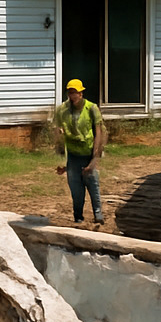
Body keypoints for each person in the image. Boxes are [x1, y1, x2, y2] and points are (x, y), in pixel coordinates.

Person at [51, 79, 106, 226]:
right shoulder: (62, 110)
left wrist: (94, 159)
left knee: (93, 185)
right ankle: (78, 217)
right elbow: (58, 133)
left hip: (88, 154)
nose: (72, 96)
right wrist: (62, 161)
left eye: (75, 92)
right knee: (76, 190)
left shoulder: (92, 108)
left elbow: (99, 133)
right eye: (70, 92)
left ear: (81, 93)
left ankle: (98, 214)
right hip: (73, 157)